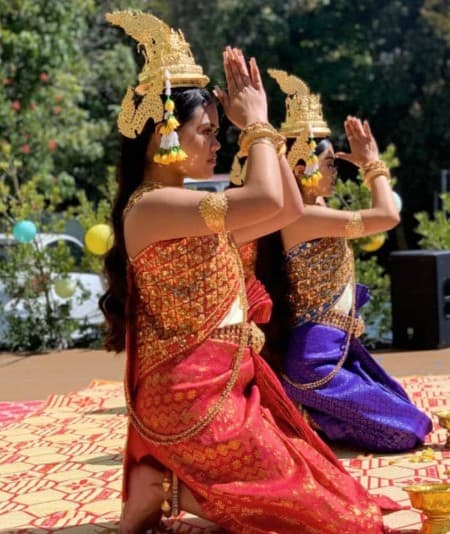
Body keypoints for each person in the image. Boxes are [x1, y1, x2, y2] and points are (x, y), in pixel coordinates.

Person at [100, 12, 398, 531]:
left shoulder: (186, 207)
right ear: (162, 134)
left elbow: (281, 210)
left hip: (227, 388)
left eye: (221, 133)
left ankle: (171, 484)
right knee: (336, 524)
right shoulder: (152, 208)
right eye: (207, 132)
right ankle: (177, 485)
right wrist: (257, 125)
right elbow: (267, 197)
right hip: (192, 399)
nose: (218, 144)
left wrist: (267, 136)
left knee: (339, 497)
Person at [258, 69, 431, 453]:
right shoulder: (302, 216)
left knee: (409, 416)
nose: (335, 171)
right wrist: (372, 164)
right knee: (405, 431)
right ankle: (302, 414)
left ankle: (307, 416)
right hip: (314, 365)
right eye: (329, 163)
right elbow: (388, 215)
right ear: (302, 168)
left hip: (337, 353)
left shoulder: (316, 208)